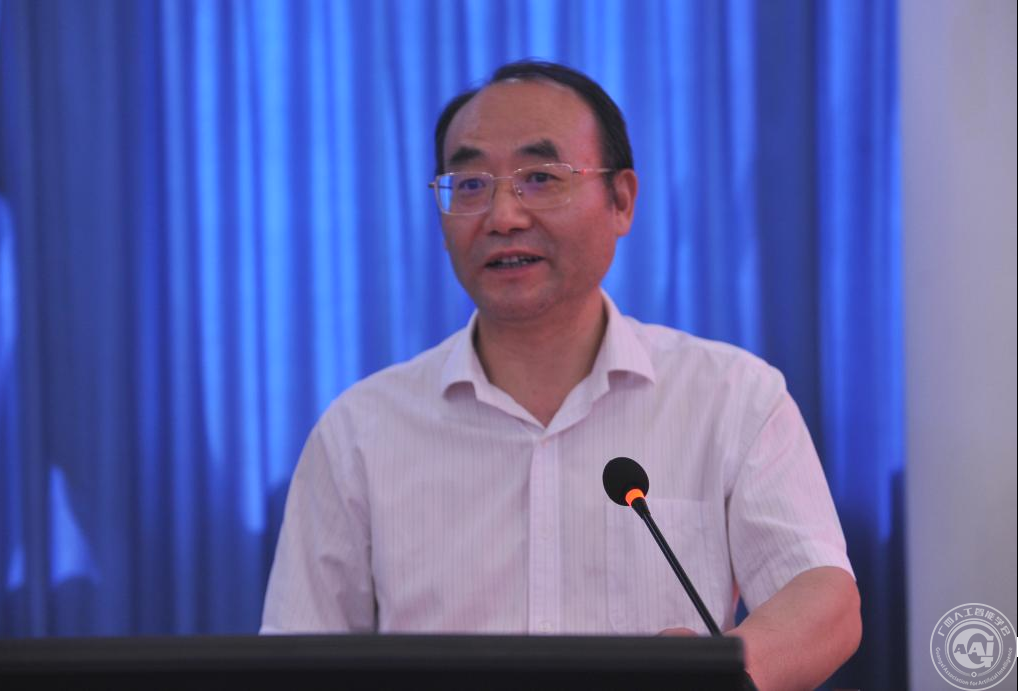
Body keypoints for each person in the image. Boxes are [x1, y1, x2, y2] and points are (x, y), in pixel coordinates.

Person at [262, 60, 861, 690]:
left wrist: (727, 674)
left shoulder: (731, 396)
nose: (502, 216)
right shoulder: (361, 430)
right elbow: (296, 656)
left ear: (621, 201)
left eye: (540, 178)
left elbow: (822, 597)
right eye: (470, 185)